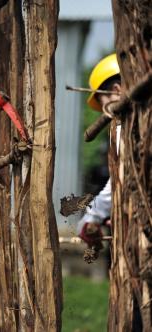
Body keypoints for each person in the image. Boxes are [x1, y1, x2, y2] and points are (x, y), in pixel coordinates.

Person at [77, 53, 121, 247]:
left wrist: (92, 218)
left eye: (104, 106)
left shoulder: (128, 128)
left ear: (117, 91)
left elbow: (122, 176)